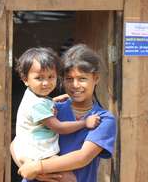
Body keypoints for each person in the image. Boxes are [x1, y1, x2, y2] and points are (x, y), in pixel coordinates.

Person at [12, 44, 117, 182]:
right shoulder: (53, 109)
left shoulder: (103, 119)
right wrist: (27, 167)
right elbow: (14, 143)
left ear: (96, 78)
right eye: (69, 79)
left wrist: (38, 167)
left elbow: (82, 158)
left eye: (82, 79)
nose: (75, 85)